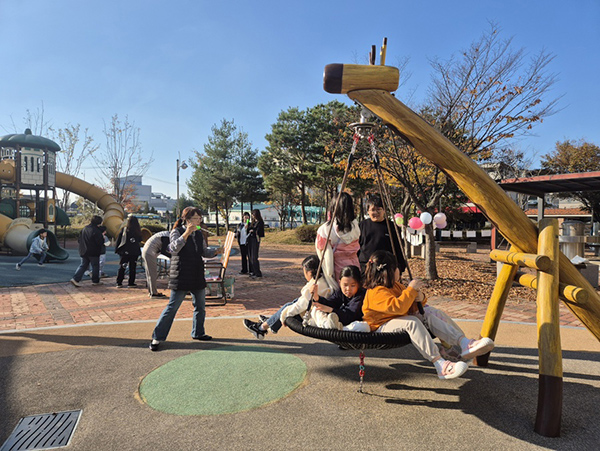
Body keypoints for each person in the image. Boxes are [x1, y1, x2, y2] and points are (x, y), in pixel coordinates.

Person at [362, 250, 495, 380]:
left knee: (432, 313)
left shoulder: (396, 285)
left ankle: (464, 342)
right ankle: (439, 364)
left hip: (397, 319)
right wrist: (411, 290)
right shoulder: (376, 291)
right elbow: (397, 307)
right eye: (397, 268)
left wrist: (420, 296)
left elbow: (412, 304)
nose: (399, 270)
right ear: (388, 272)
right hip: (381, 326)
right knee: (412, 322)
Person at [149, 207, 215, 351]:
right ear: (187, 219)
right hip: (180, 273)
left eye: (199, 218)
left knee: (200, 306)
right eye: (195, 219)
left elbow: (204, 251)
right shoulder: (176, 232)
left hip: (197, 272)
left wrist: (217, 251)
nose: (198, 221)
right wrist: (186, 233)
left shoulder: (199, 234)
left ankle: (198, 332)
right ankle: (157, 337)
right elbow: (172, 249)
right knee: (172, 307)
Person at [243, 255, 334, 339]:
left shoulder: (315, 286)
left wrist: (283, 316)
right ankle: (271, 321)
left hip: (311, 315)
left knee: (288, 307)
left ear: (309, 272)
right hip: (312, 309)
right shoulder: (322, 281)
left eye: (304, 272)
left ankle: (262, 328)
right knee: (293, 303)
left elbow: (301, 306)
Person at [315, 192, 360, 291]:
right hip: (354, 265)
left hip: (338, 267)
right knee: (354, 290)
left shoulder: (326, 229)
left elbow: (321, 249)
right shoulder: (355, 227)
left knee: (341, 292)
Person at [310, 265, 370, 332]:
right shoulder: (340, 292)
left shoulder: (361, 296)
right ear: (340, 282)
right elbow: (330, 303)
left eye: (353, 285)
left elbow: (350, 316)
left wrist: (331, 310)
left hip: (349, 325)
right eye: (345, 285)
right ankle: (326, 324)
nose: (348, 289)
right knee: (316, 309)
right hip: (335, 321)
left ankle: (326, 325)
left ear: (358, 284)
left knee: (363, 327)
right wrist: (317, 297)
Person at [358, 194, 407, 275]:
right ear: (368, 211)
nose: (376, 212)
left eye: (379, 209)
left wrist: (400, 267)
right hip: (366, 268)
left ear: (384, 210)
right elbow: (356, 247)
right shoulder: (362, 225)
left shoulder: (392, 226)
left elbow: (398, 248)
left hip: (385, 268)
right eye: (372, 210)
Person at [71, 215, 105, 287]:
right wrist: (103, 238)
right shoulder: (97, 231)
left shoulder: (85, 228)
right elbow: (100, 242)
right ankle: (95, 281)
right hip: (93, 251)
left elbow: (79, 239)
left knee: (83, 265)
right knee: (95, 266)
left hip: (83, 250)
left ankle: (75, 278)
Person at [141, 230, 171, 298]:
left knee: (150, 273)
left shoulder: (164, 234)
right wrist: (172, 256)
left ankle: (151, 292)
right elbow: (163, 251)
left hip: (147, 251)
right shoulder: (166, 237)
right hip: (150, 253)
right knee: (152, 273)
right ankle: (154, 293)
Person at [115, 215, 143, 288]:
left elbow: (119, 240)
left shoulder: (124, 230)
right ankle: (131, 282)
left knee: (122, 266)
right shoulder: (137, 230)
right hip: (134, 251)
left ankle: (119, 282)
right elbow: (140, 239)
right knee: (132, 267)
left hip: (125, 251)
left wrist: (117, 249)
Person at [247, 209, 264, 278]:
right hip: (250, 239)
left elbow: (259, 232)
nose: (252, 216)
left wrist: (253, 231)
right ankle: (253, 271)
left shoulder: (260, 222)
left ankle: (258, 273)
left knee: (254, 257)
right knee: (250, 257)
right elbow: (249, 229)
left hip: (255, 240)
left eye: (253, 214)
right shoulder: (253, 222)